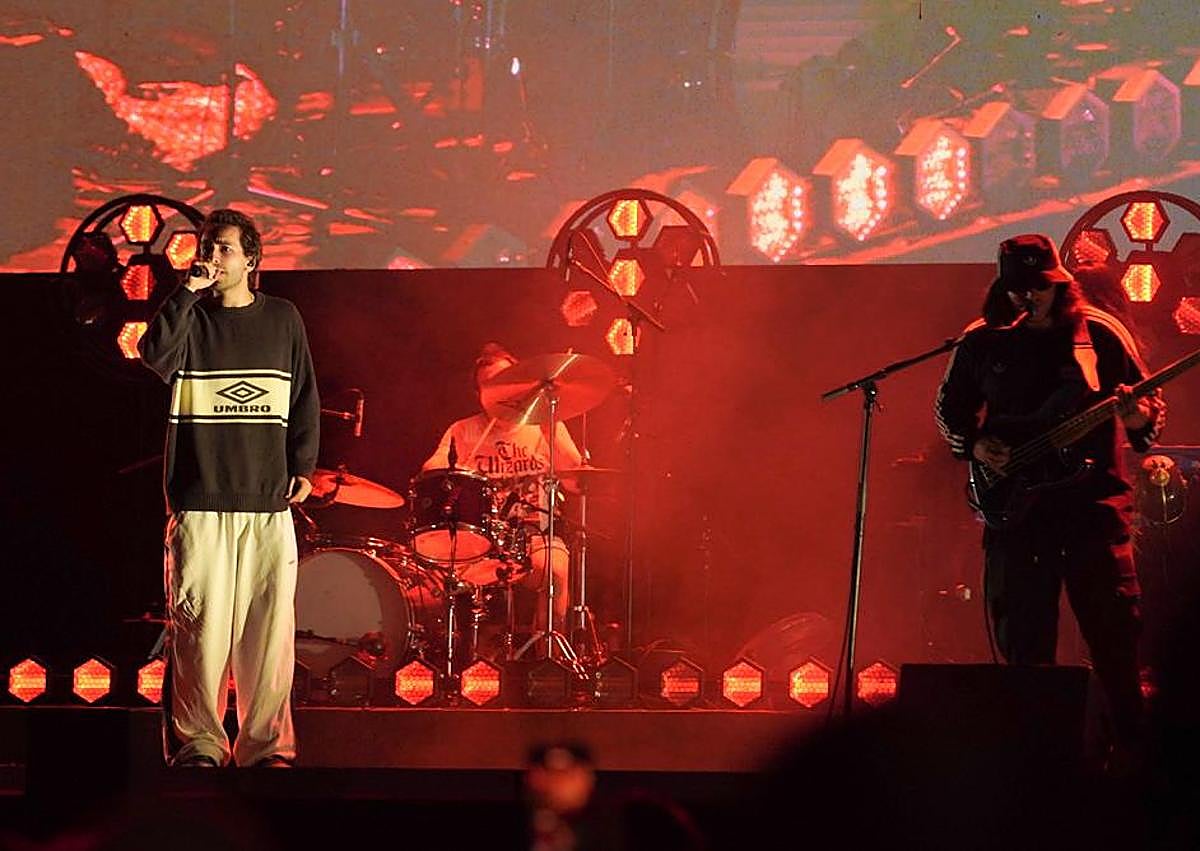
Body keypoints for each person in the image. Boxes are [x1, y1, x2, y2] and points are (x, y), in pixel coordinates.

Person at [934, 233, 1165, 765]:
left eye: (1038, 288)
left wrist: (1136, 417)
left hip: (1093, 513)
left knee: (1114, 648)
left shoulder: (1100, 336)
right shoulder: (983, 341)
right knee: (1026, 654)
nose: (1027, 299)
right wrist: (976, 445)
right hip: (1018, 516)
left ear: (1060, 285)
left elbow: (1149, 403)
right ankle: (1033, 770)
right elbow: (950, 409)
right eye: (1017, 289)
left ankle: (1130, 765)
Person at [138, 208, 320, 768]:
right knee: (200, 631)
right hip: (201, 499)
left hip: (266, 500)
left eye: (223, 249)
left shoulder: (283, 318)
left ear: (251, 260)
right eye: (207, 248)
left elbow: (304, 397)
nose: (211, 258)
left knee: (269, 635)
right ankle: (200, 744)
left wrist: (304, 466)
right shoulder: (190, 318)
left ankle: (267, 747)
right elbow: (153, 355)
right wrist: (183, 294)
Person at [421, 342, 581, 635]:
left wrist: (551, 425)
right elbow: (432, 468)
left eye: (507, 382)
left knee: (556, 573)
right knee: (430, 588)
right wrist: (451, 468)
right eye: (490, 386)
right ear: (478, 394)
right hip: (479, 534)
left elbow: (576, 481)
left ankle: (545, 656)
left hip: (536, 531)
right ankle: (454, 658)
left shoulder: (545, 426)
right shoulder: (463, 430)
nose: (501, 392)